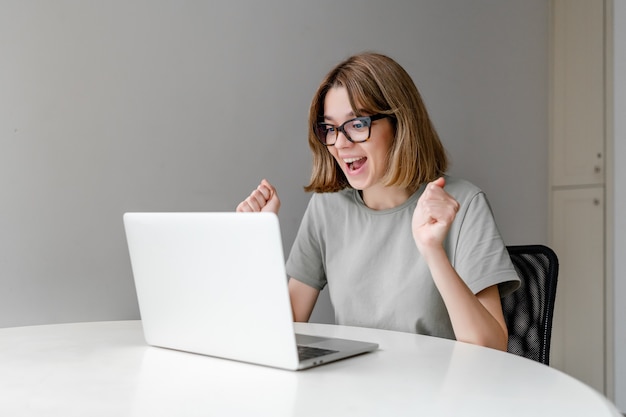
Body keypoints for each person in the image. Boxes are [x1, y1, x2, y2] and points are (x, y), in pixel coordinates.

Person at [237, 52, 519, 351]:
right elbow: (282, 329)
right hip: (354, 390)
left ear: (399, 124)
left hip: (436, 392)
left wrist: (432, 250)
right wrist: (254, 242)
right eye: (330, 128)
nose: (341, 143)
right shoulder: (327, 207)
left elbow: (491, 346)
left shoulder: (463, 203)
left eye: (357, 124)